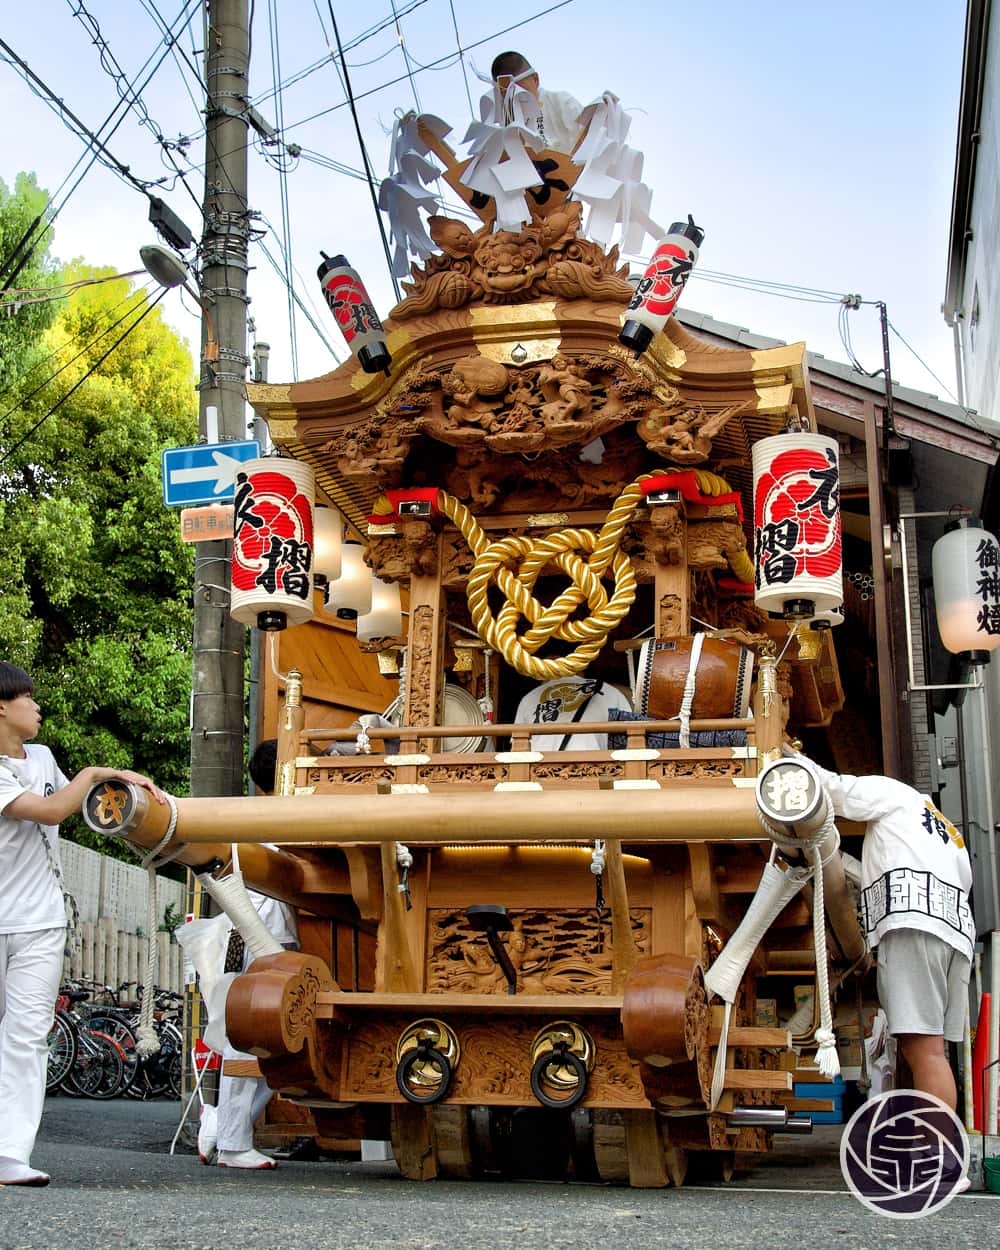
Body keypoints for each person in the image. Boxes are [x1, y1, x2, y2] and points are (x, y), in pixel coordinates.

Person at [0, 661, 163, 1187]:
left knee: (27, 1038)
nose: (37, 706)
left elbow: (82, 804)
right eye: (28, 697)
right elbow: (48, 811)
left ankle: (9, 1156)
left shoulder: (43, 756)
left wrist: (125, 787)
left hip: (41, 920)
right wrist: (94, 773)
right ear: (2, 706)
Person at [804, 757, 974, 1111]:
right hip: (955, 932)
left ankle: (935, 1155)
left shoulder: (895, 793)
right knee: (931, 1049)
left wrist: (784, 756)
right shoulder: (944, 830)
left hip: (914, 923)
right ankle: (925, 1145)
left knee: (924, 1051)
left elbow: (830, 789)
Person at [196, 737, 299, 1171]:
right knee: (254, 1037)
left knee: (282, 1041)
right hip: (260, 934)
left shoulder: (282, 811)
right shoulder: (273, 815)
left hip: (276, 933)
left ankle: (221, 1126)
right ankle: (233, 1141)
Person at [489, 50, 583, 154]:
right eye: (509, 98)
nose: (517, 101)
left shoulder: (561, 101)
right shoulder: (508, 125)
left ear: (535, 79)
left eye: (521, 94)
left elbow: (587, 138)